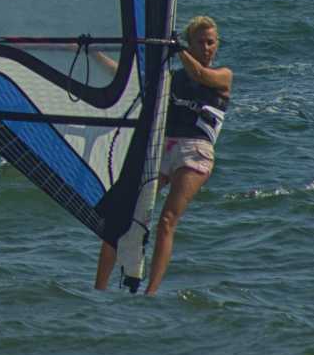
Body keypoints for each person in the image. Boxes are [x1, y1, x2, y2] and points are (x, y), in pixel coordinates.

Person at [93, 15, 231, 293]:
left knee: (167, 220)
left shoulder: (224, 76)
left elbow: (201, 75)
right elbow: (129, 79)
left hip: (196, 152)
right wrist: (92, 53)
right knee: (121, 215)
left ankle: (151, 292)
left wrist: (176, 48)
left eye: (211, 42)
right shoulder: (170, 79)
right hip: (162, 147)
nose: (207, 48)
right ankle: (98, 288)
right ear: (191, 45)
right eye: (200, 43)